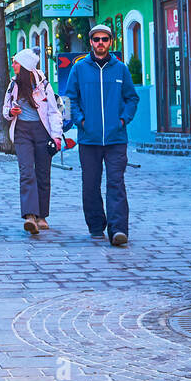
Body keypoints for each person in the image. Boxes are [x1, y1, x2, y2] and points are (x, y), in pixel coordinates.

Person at [61, 23, 140, 247]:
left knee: (116, 183)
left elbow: (132, 98)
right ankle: (96, 226)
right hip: (89, 139)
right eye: (96, 39)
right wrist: (81, 121)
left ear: (111, 42)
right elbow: (70, 99)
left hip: (116, 139)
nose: (100, 43)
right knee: (90, 184)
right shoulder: (79, 69)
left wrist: (123, 119)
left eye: (105, 39)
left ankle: (118, 230)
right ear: (91, 42)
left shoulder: (121, 69)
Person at [3, 49, 63, 235]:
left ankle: (42, 216)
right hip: (22, 132)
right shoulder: (13, 85)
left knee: (43, 174)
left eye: (16, 63)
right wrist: (10, 112)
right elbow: (5, 109)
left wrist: (57, 136)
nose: (13, 66)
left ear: (26, 66)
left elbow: (54, 111)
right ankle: (30, 215)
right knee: (27, 172)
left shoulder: (43, 85)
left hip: (42, 132)